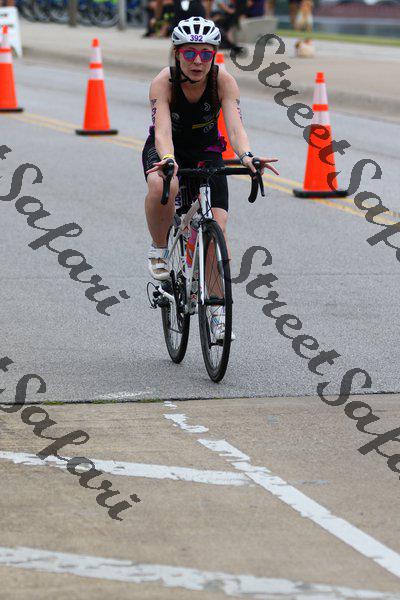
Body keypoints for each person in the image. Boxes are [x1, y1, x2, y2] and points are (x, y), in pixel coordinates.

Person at [141, 16, 279, 338]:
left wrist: (247, 156)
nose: (198, 61)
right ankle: (159, 248)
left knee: (218, 226)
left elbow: (235, 127)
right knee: (163, 183)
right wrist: (168, 159)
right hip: (168, 149)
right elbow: (162, 131)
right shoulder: (164, 82)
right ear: (177, 53)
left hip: (206, 151)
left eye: (206, 53)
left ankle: (216, 312)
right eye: (190, 53)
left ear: (215, 54)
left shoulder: (223, 81)